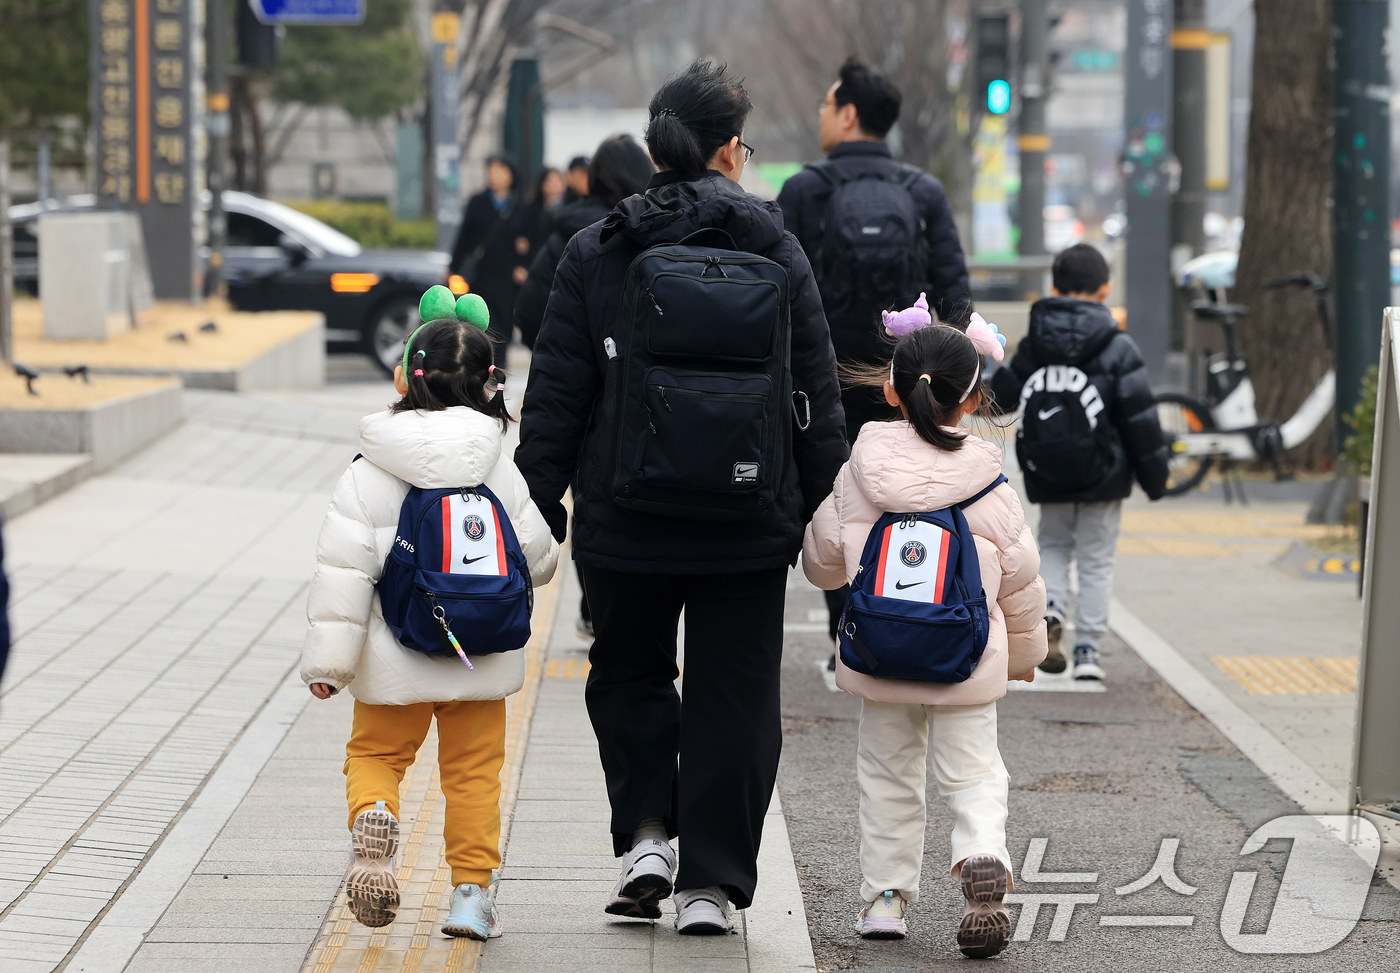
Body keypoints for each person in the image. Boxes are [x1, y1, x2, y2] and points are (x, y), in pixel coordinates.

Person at [515, 61, 848, 933]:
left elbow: (556, 395)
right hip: (748, 520)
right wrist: (835, 525)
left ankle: (649, 836)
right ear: (730, 151)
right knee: (734, 692)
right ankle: (710, 881)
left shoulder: (599, 249)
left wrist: (534, 507)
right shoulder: (776, 247)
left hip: (625, 520)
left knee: (627, 672)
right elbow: (814, 398)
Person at [301, 313, 559, 939]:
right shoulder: (496, 466)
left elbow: (345, 575)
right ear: (487, 387)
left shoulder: (370, 470)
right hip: (480, 653)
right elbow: (542, 561)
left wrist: (330, 668)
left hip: (397, 653)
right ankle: (470, 898)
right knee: (473, 777)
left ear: (403, 379)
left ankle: (376, 817)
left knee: (376, 755)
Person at [802, 321, 1046, 958]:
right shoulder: (990, 486)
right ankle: (980, 857)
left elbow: (823, 563)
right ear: (972, 399)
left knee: (887, 775)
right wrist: (1023, 657)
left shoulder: (859, 476)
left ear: (890, 391)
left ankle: (885, 899)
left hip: (881, 656)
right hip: (966, 660)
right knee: (973, 773)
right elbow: (1020, 581)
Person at [778, 57, 973, 660]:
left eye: (826, 104)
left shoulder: (805, 190)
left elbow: (775, 289)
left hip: (824, 380)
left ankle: (849, 625)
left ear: (849, 114)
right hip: (907, 379)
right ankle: (913, 609)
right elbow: (955, 292)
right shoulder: (922, 192)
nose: (821, 114)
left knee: (840, 497)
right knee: (913, 492)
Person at [990, 243, 1169, 680]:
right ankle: (1088, 650)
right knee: (1096, 560)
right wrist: (1155, 478)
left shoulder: (1036, 342)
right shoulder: (1118, 346)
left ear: (1054, 286)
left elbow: (1002, 398)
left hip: (1048, 470)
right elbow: (1140, 419)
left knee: (1052, 546)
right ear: (1105, 288)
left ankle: (1050, 615)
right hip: (1104, 474)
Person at [513, 135, 656, 642]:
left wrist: (565, 350)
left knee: (588, 501)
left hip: (583, 400)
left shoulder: (568, 237)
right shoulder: (651, 230)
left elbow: (528, 311)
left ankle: (594, 606)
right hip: (642, 402)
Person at [449, 156, 533, 367]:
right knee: (482, 320)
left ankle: (500, 366)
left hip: (507, 277)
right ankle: (483, 363)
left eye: (500, 170)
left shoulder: (520, 205)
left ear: (511, 175)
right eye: (491, 170)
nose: (494, 175)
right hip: (482, 274)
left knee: (504, 322)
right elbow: (464, 238)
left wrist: (523, 261)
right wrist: (453, 268)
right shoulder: (477, 202)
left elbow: (530, 240)